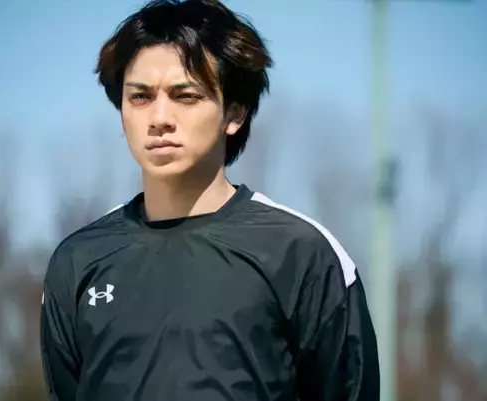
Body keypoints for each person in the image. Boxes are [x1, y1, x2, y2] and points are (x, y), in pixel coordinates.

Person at [40, 0, 381, 400]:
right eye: (141, 97)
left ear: (234, 113)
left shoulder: (301, 253)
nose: (159, 118)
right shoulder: (78, 261)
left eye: (185, 96)